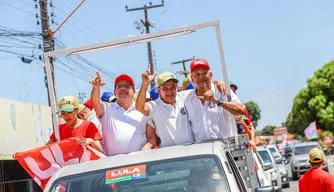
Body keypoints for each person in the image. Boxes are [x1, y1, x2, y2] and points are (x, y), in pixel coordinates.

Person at [184, 58, 245, 142]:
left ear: (210, 75)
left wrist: (217, 101)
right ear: (192, 78)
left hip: (224, 149)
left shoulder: (223, 91)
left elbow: (242, 110)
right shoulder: (187, 99)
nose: (201, 77)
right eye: (197, 74)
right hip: (202, 151)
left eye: (204, 73)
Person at [136, 66, 194, 149]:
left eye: (172, 87)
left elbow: (200, 90)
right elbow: (139, 107)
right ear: (159, 90)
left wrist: (217, 83)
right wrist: (145, 84)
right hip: (169, 156)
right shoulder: (155, 106)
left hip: (191, 153)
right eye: (165, 88)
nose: (169, 91)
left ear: (177, 87)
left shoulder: (184, 97)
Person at [90, 72, 148, 156]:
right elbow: (95, 101)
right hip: (114, 163)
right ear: (114, 92)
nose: (123, 89)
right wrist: (96, 88)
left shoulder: (142, 109)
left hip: (139, 160)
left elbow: (151, 137)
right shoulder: (107, 109)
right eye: (119, 86)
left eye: (127, 86)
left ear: (134, 91)